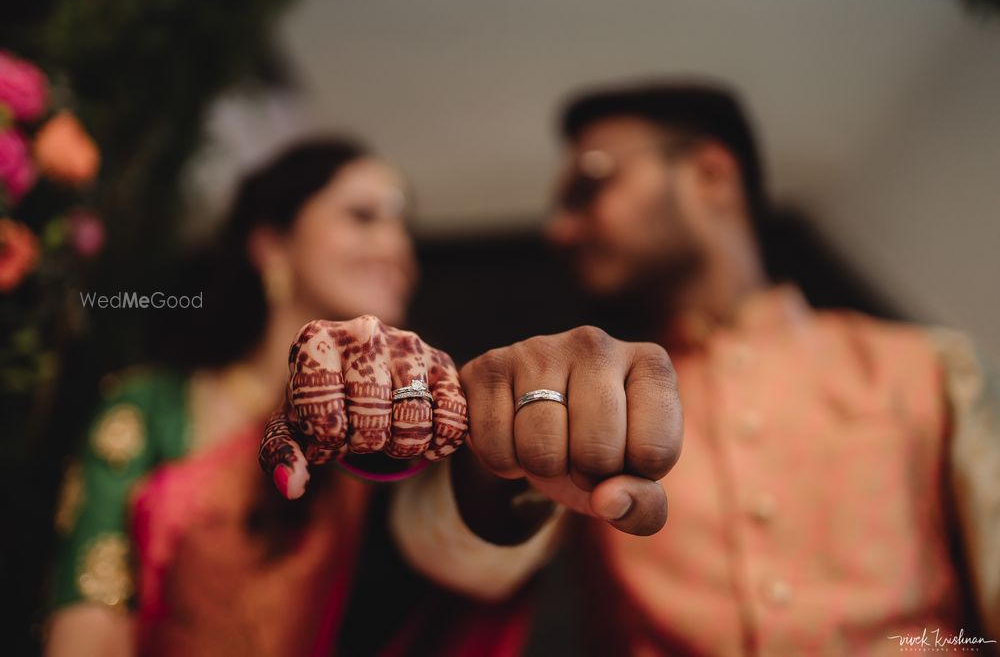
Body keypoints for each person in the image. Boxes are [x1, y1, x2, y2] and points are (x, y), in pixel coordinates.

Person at [47, 137, 682, 656]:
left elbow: (445, 540)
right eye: (362, 216)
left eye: (402, 225)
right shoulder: (151, 406)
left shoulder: (409, 413)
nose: (396, 246)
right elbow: (89, 621)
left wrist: (503, 469)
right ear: (273, 245)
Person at [544, 79, 1000, 655]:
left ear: (710, 174)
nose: (560, 229)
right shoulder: (590, 404)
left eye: (591, 184)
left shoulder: (932, 367)